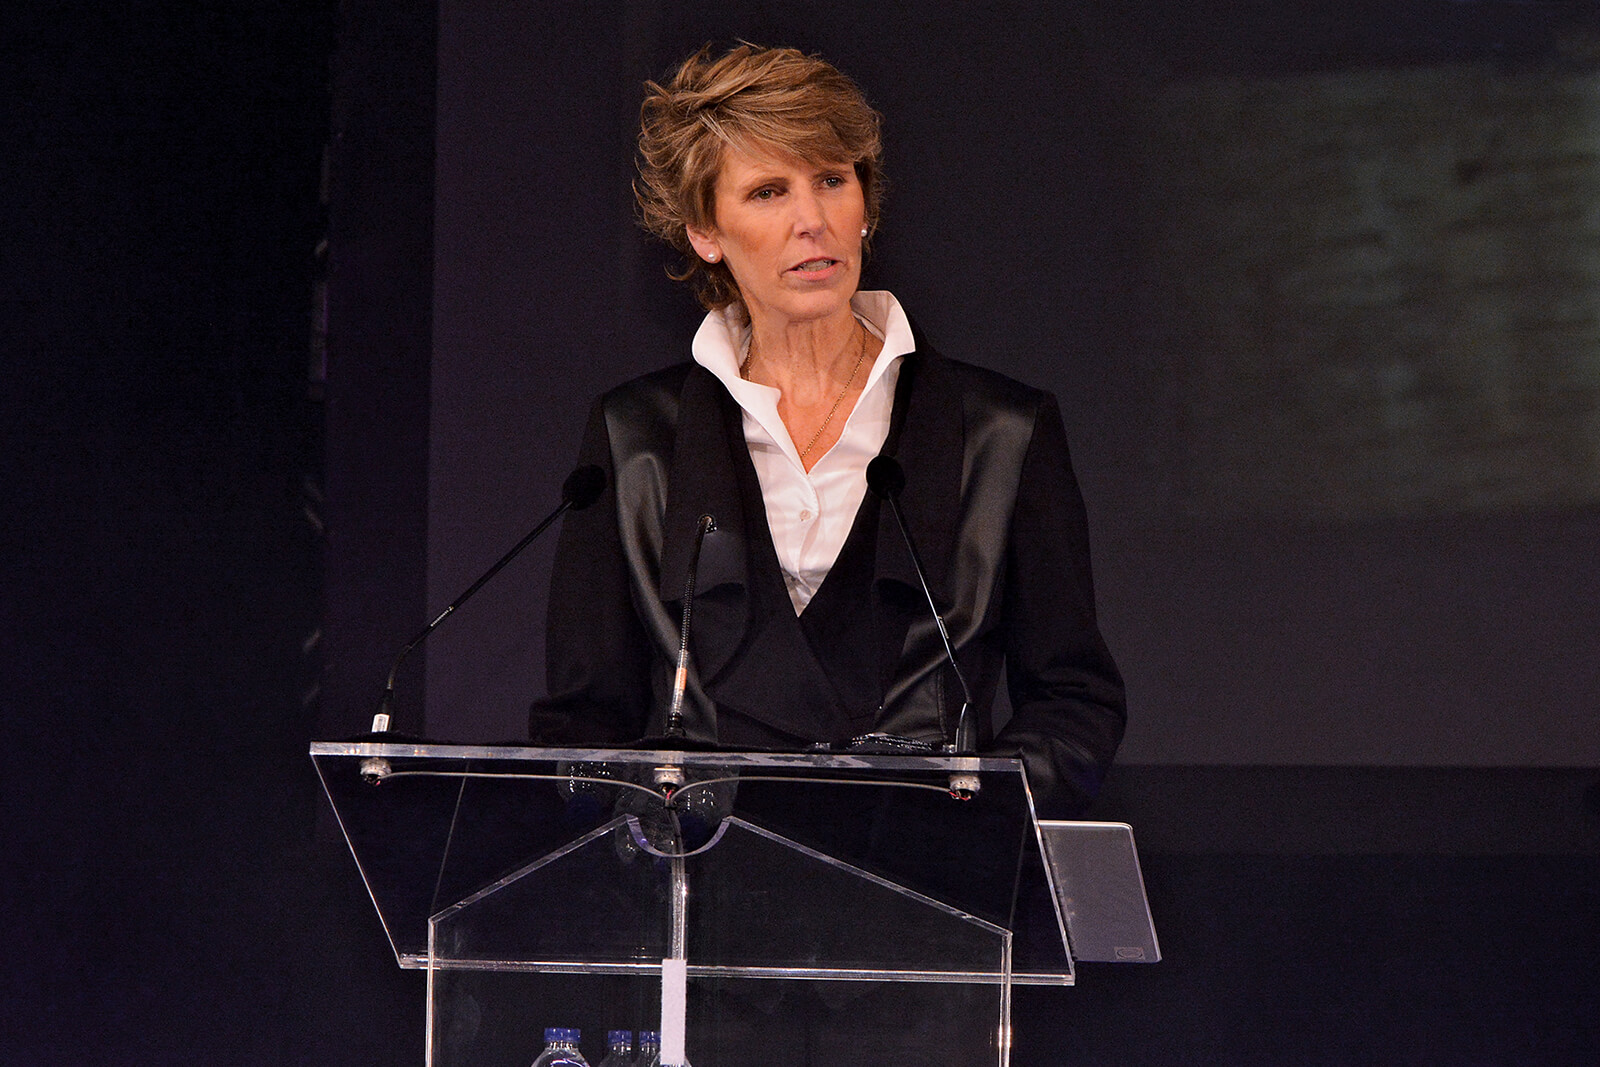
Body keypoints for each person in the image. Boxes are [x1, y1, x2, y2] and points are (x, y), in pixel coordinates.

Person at [532, 43, 1124, 820]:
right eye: (769, 191)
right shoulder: (637, 439)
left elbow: (1074, 699)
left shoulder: (1002, 433)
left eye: (832, 180)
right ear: (706, 232)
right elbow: (583, 720)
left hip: (930, 897)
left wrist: (976, 816)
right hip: (706, 898)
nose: (812, 220)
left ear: (866, 205)